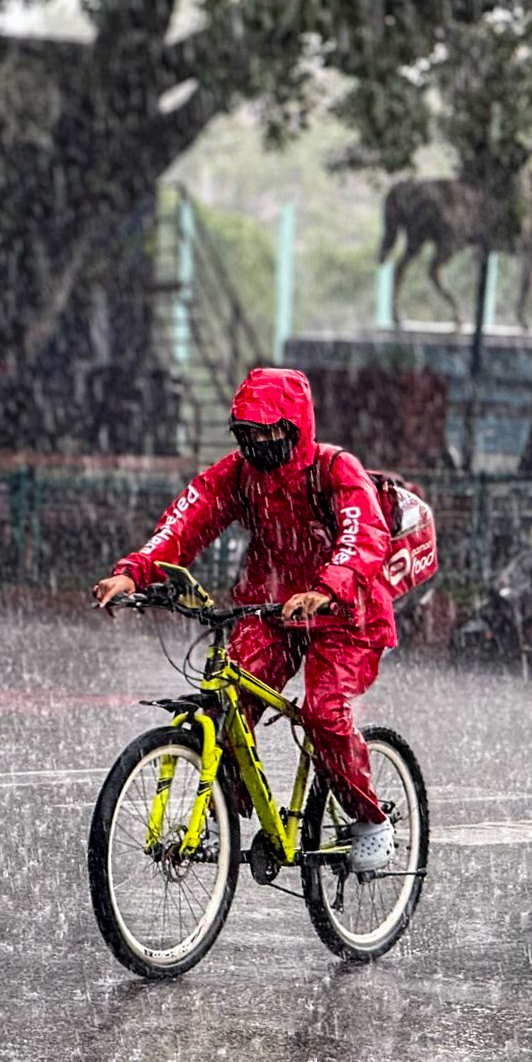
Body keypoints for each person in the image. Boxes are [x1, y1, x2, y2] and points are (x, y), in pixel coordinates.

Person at [91, 367, 399, 873]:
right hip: (271, 608)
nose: (254, 444)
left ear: (293, 428)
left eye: (265, 433)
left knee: (325, 713)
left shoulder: (335, 470)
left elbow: (363, 537)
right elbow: (184, 523)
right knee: (224, 700)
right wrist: (133, 573)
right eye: (245, 434)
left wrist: (326, 588)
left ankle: (372, 820)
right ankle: (222, 812)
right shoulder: (237, 476)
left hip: (346, 613)